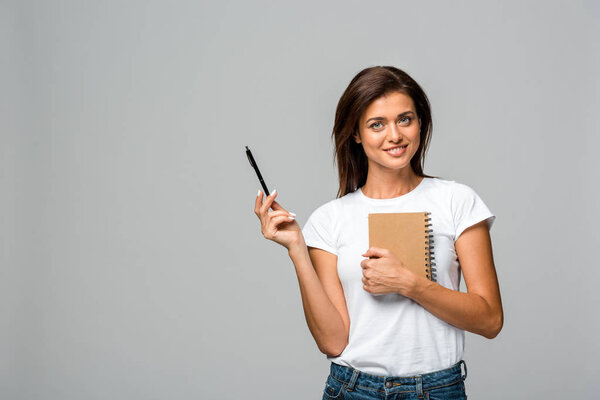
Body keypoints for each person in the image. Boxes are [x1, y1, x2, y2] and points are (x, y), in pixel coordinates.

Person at [254, 66, 503, 400]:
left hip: (437, 389)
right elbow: (332, 341)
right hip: (353, 389)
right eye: (377, 124)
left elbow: (489, 320)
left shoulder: (456, 201)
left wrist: (410, 284)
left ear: (420, 123)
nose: (395, 135)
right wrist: (297, 248)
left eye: (405, 119)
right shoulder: (330, 219)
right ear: (356, 133)